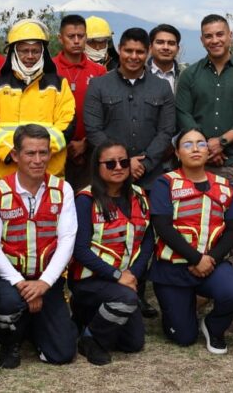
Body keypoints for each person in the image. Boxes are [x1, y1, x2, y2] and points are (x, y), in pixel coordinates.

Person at [0, 124, 79, 367]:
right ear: (15, 155)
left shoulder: (63, 189)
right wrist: (20, 283)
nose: (38, 160)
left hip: (48, 280)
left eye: (43, 153)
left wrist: (44, 283)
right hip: (11, 281)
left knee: (62, 354)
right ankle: (8, 341)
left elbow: (67, 240)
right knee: (9, 302)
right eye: (30, 153)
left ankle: (32, 327)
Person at [149, 128, 233, 354]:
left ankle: (213, 326)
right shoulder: (165, 183)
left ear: (208, 151)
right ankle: (181, 311)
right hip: (173, 268)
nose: (195, 149)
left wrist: (210, 259)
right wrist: (195, 258)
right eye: (188, 144)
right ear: (177, 153)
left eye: (201, 144)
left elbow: (232, 229)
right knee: (184, 337)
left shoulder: (224, 185)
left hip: (211, 265)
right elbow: (162, 227)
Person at [68, 142, 155, 365]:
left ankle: (88, 319)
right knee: (126, 299)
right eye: (110, 163)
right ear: (97, 167)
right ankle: (90, 339)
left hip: (125, 280)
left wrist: (133, 274)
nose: (118, 167)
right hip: (90, 280)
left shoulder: (140, 195)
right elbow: (79, 249)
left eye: (124, 162)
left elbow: (146, 241)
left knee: (133, 344)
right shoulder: (85, 200)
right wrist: (118, 276)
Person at [0, 19, 76, 182]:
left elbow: (67, 123)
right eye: (24, 51)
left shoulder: (59, 84)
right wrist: (11, 152)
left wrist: (38, 153)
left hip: (48, 174)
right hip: (4, 174)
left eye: (35, 51)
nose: (30, 56)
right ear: (14, 52)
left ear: (43, 52)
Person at [176, 14, 233, 192]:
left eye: (220, 34)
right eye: (208, 36)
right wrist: (205, 146)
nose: (214, 40)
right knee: (193, 215)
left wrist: (222, 142)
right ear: (202, 40)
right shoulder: (189, 74)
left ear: (230, 35)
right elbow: (183, 114)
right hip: (197, 162)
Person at [83, 27, 176, 190]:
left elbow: (166, 131)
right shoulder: (98, 85)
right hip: (109, 179)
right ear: (119, 49)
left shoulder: (162, 87)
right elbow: (93, 130)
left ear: (148, 51)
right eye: (128, 51)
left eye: (139, 52)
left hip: (151, 178)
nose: (133, 57)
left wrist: (144, 163)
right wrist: (122, 163)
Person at [53, 15, 107, 190]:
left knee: (87, 198)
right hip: (55, 149)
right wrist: (62, 142)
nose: (76, 41)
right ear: (60, 38)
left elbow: (105, 112)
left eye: (81, 36)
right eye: (71, 36)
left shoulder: (99, 71)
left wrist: (86, 142)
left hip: (90, 149)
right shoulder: (49, 69)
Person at [147, 23, 183, 93]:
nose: (165, 47)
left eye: (171, 43)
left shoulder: (186, 75)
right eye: (160, 42)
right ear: (150, 47)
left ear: (177, 49)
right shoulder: (139, 73)